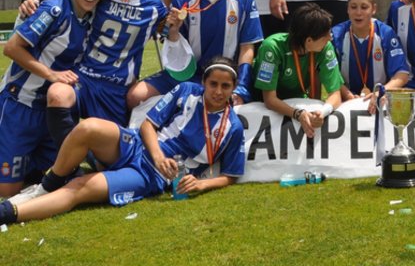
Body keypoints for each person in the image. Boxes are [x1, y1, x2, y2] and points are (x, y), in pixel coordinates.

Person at [0, 57, 246, 221]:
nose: (218, 91)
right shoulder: (186, 91)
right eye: (213, 83)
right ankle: (46, 187)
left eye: (225, 86)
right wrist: (158, 155)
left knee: (79, 188)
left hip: (152, 176)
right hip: (136, 145)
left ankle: (8, 213)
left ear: (233, 88)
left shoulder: (232, 127)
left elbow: (231, 175)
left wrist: (202, 184)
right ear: (203, 82)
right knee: (89, 128)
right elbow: (148, 124)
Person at [43, 0, 169, 148]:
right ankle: (69, 163)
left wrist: (175, 23)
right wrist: (31, 3)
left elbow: (171, 35)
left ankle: (89, 157)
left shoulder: (155, 7)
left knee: (109, 161)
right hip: (85, 79)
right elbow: (67, 3)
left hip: (117, 90)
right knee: (57, 94)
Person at [0, 0, 106, 197]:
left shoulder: (92, 16)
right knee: (7, 190)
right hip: (20, 104)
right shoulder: (53, 10)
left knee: (47, 176)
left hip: (51, 111)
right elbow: (12, 48)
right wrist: (51, 75)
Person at [127, 0, 263, 108]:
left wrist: (241, 87)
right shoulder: (183, 0)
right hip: (185, 74)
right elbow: (171, 42)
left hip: (221, 78)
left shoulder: (244, 1)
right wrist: (173, 30)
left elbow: (247, 50)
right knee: (135, 96)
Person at [253, 3, 344, 139]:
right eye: (326, 34)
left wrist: (321, 112)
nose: (330, 37)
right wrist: (297, 114)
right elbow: (269, 99)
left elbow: (335, 94)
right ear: (309, 40)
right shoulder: (272, 48)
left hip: (298, 104)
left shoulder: (325, 47)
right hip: (264, 105)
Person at [331, 0, 409, 103]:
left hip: (380, 98)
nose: (358, 12)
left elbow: (402, 75)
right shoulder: (336, 34)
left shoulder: (386, 34)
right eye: (353, 7)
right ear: (347, 9)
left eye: (364, 7)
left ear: (373, 9)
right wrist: (347, 94)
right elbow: (329, 72)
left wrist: (381, 92)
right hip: (345, 101)